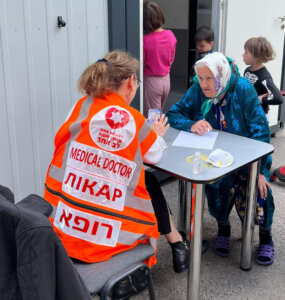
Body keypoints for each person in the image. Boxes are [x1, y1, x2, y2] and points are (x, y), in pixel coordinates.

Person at [43, 51, 189, 299]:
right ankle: (137, 268)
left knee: (145, 181)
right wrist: (156, 134)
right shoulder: (132, 118)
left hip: (62, 228)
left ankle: (172, 244)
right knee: (146, 183)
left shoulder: (80, 107)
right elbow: (153, 155)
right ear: (130, 83)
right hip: (101, 241)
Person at [166, 52, 275, 266]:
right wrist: (191, 124)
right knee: (216, 188)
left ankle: (265, 236)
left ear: (221, 75)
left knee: (260, 192)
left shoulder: (242, 88)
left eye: (209, 78)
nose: (204, 84)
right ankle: (223, 228)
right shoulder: (197, 88)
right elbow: (173, 114)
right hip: (216, 159)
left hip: (246, 158)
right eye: (200, 78)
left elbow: (260, 132)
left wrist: (262, 172)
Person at [143, 1, 177, 117]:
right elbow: (171, 60)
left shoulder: (145, 40)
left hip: (152, 81)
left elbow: (142, 62)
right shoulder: (170, 35)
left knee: (153, 117)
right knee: (158, 111)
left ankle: (156, 135)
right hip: (166, 80)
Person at [243, 37, 283, 116]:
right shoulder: (247, 70)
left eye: (246, 52)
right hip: (248, 113)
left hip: (259, 117)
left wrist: (260, 99)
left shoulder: (264, 77)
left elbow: (278, 98)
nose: (243, 55)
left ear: (256, 56)